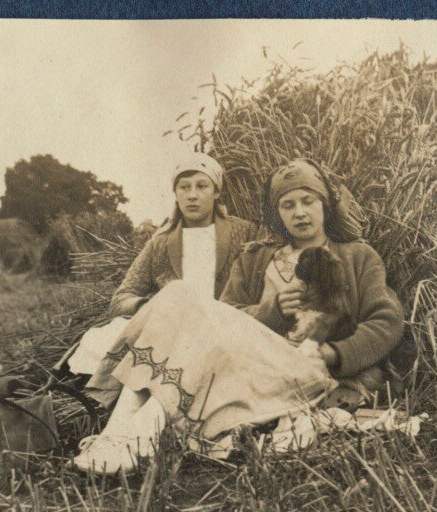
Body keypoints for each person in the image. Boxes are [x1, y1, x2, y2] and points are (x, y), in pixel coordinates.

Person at [72, 152, 259, 473]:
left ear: (217, 192)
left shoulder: (244, 233)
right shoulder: (162, 243)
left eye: (202, 186)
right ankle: (118, 438)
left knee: (177, 348)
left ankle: (132, 437)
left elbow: (260, 285)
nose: (193, 194)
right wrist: (150, 307)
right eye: (184, 187)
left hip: (222, 328)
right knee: (166, 328)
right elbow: (122, 297)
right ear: (175, 193)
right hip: (171, 330)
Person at [220, 158, 404, 392]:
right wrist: (272, 311)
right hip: (264, 369)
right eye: (288, 205)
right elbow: (224, 317)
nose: (299, 213)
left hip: (331, 375)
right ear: (277, 213)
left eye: (308, 202)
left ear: (324, 205)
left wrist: (334, 353)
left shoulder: (358, 256)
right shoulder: (252, 259)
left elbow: (387, 321)